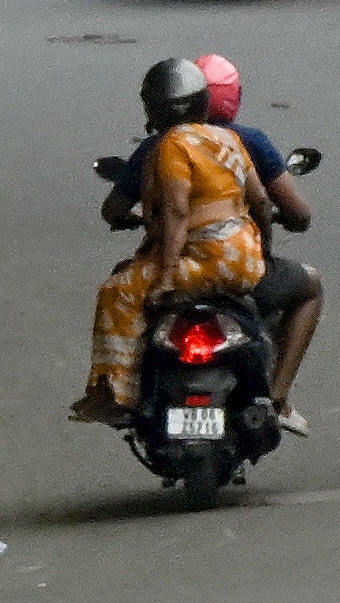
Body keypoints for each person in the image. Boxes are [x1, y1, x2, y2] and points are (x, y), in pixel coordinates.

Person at [77, 57, 260, 433]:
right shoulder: (228, 139)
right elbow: (259, 200)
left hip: (203, 263)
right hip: (246, 262)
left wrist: (165, 277)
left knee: (117, 292)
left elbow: (176, 213)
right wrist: (264, 250)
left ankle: (115, 397)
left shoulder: (171, 144)